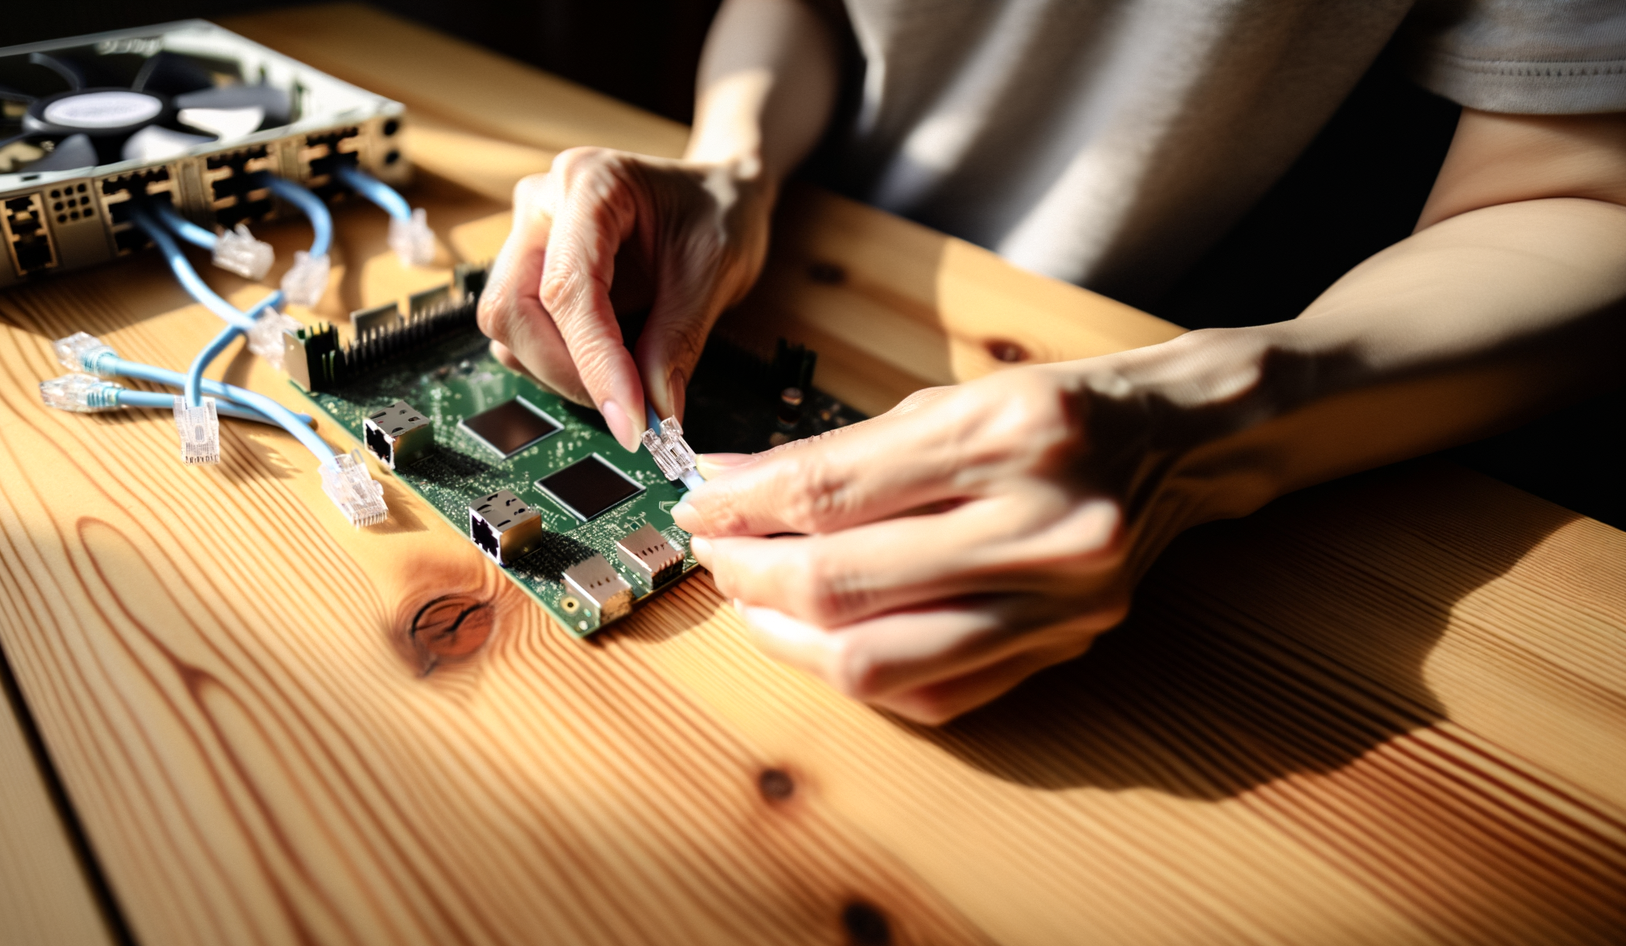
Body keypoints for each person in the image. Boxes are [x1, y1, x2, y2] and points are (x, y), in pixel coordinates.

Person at [477, 0, 1626, 723]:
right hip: (836, 256)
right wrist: (733, 165)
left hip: (1193, 327)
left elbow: (1578, 196)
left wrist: (1193, 418)